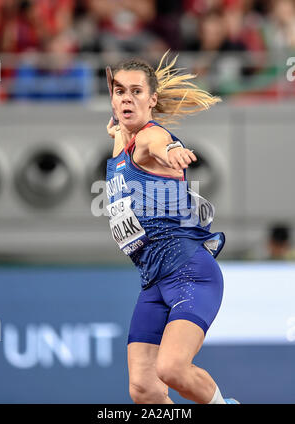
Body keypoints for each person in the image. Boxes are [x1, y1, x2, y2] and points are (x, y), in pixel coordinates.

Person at [105, 51, 239, 404]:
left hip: (190, 274)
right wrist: (117, 126)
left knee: (172, 369)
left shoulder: (150, 139)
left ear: (152, 101)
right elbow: (120, 128)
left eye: (136, 92)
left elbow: (159, 144)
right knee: (144, 389)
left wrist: (173, 151)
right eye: (120, 92)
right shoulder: (120, 139)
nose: (126, 99)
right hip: (153, 282)